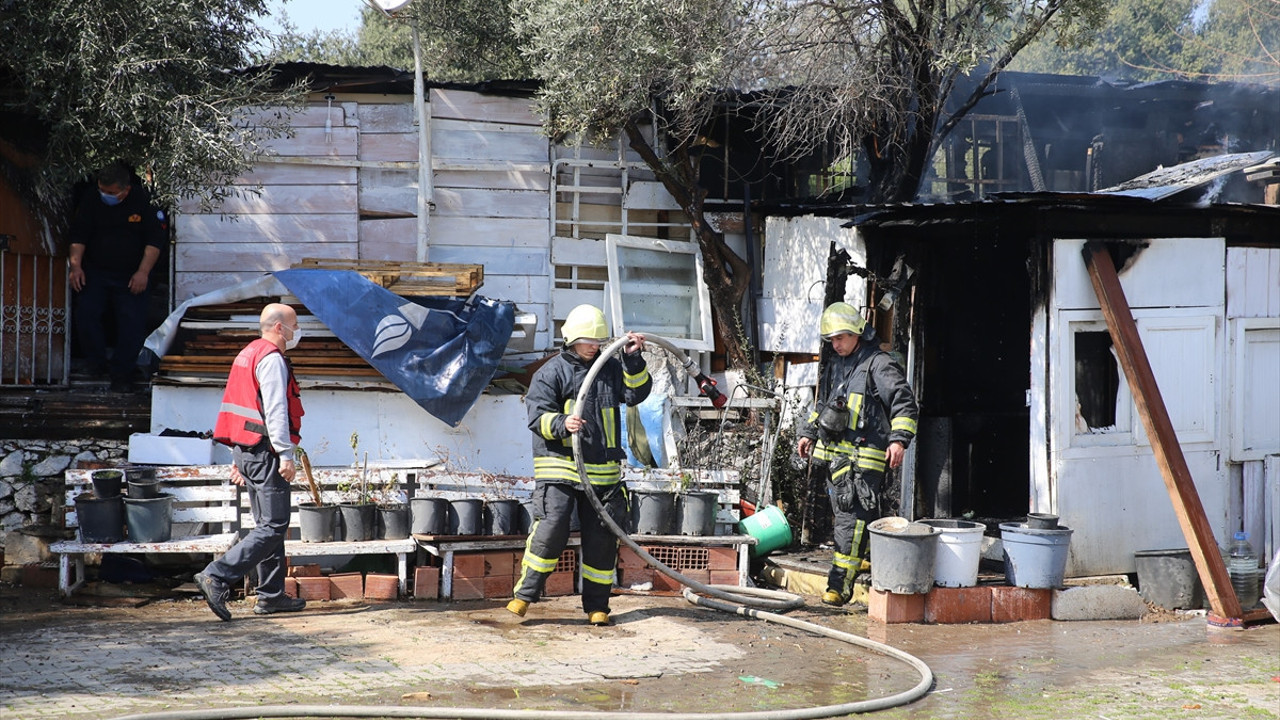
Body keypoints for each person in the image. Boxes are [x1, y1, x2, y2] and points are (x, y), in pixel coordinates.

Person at [508, 304, 651, 626]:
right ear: (571, 339)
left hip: (603, 470)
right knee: (552, 527)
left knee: (602, 539)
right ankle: (524, 596)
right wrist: (561, 423)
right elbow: (536, 416)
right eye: (588, 340)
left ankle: (597, 607)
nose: (594, 346)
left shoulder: (610, 368)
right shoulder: (551, 372)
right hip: (560, 465)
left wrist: (632, 359)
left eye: (599, 341)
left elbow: (635, 393)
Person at [796, 302, 919, 606]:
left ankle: (839, 587)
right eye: (831, 340)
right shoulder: (839, 365)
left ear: (856, 334)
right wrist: (808, 432)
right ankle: (863, 560)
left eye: (840, 338)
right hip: (838, 461)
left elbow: (904, 404)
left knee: (849, 521)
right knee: (855, 518)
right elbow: (826, 404)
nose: (835, 345)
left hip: (863, 462)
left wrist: (899, 440)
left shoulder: (879, 364)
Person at [195, 303, 307, 621]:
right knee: (274, 525)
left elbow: (236, 405)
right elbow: (274, 410)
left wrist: (236, 458)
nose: (298, 331)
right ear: (278, 328)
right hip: (265, 452)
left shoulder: (248, 353)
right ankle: (216, 575)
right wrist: (286, 454)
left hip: (247, 450)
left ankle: (271, 596)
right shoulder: (271, 358)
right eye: (295, 325)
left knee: (266, 526)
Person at [67, 163, 167, 393]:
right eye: (103, 190)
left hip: (132, 273)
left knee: (131, 323)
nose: (106, 196)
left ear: (126, 190)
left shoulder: (143, 201)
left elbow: (154, 241)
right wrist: (76, 267)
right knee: (86, 314)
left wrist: (143, 272)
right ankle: (96, 363)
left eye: (111, 193)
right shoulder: (92, 199)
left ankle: (122, 374)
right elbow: (79, 233)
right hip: (95, 271)